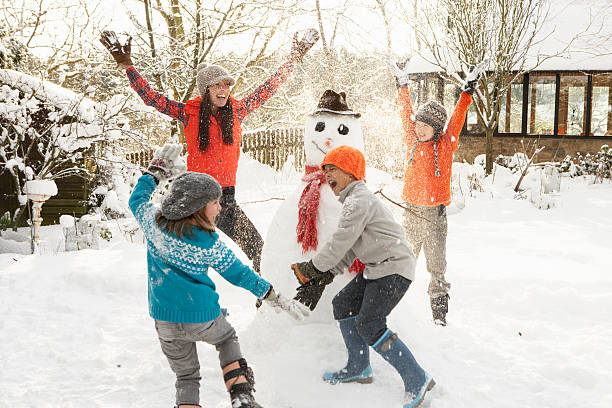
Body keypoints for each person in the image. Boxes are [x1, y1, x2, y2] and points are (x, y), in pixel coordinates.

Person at [101, 29, 319, 275]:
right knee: (186, 258)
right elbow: (152, 98)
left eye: (227, 84)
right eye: (217, 84)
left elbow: (267, 89)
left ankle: (266, 298)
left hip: (225, 199)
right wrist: (128, 66)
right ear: (206, 89)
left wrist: (292, 60)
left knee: (258, 249)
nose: (224, 89)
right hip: (194, 198)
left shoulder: (237, 111)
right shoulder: (188, 112)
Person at [128, 144, 308, 408]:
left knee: (187, 377)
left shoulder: (153, 221)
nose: (220, 208)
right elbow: (240, 274)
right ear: (198, 207)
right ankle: (241, 397)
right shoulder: (208, 242)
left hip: (164, 319)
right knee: (226, 339)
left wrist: (155, 173)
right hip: (203, 316)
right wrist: (272, 295)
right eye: (215, 203)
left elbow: (137, 200)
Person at [289, 145, 435, 408]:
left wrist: (313, 268)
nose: (327, 175)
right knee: (343, 304)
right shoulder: (354, 201)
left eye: (332, 169)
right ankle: (359, 366)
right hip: (377, 268)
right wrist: (325, 277)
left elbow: (340, 242)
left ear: (350, 172)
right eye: (325, 171)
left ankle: (417, 378)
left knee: (370, 323)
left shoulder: (359, 200)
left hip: (393, 269)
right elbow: (349, 248)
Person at [389, 57, 483, 326]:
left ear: (437, 129)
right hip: (410, 213)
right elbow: (404, 110)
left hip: (435, 215)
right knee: (402, 263)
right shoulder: (412, 140)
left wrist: (467, 90)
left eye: (424, 126)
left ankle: (439, 314)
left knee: (437, 266)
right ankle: (393, 309)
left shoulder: (446, 144)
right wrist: (401, 83)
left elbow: (457, 117)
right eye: (417, 124)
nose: (418, 129)